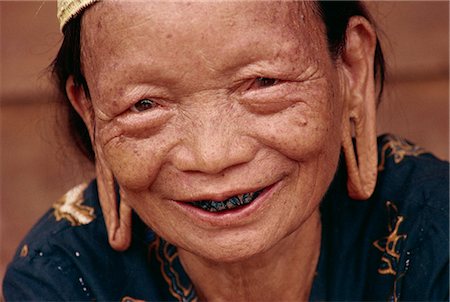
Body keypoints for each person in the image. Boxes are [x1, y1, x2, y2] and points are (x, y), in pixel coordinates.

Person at [3, 0, 448, 301]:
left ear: (350, 67)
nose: (213, 155)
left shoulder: (437, 234)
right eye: (144, 104)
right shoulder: (64, 279)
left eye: (263, 82)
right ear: (91, 112)